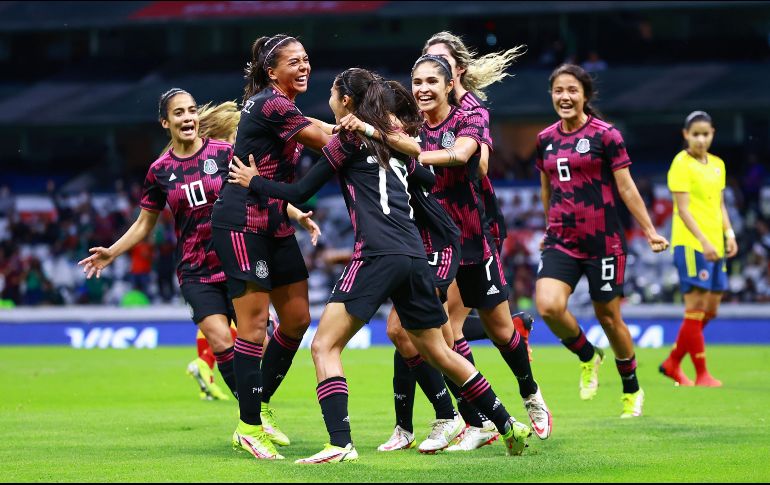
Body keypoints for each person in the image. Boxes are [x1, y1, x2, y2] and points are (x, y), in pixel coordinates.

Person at [229, 67, 533, 464]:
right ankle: (508, 423)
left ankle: (341, 444)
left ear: (346, 102)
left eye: (333, 96)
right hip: (412, 254)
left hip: (375, 253)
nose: (330, 103)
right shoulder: (396, 143)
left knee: (324, 346)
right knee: (439, 352)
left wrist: (254, 181)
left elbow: (301, 192)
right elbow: (425, 177)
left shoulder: (349, 142)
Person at [210, 34, 420, 461]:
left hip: (274, 219)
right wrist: (382, 133)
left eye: (307, 60)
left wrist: (362, 128)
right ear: (273, 72)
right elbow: (327, 140)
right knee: (252, 328)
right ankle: (249, 426)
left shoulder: (283, 106)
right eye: (294, 62)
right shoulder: (270, 103)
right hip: (242, 220)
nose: (305, 67)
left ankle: (259, 404)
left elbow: (326, 129)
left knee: (296, 319)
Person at [410, 54, 552, 442]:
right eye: (417, 80)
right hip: (432, 241)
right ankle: (475, 420)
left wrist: (408, 151)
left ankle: (529, 392)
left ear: (452, 76)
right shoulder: (411, 122)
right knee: (433, 331)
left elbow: (468, 159)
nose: (423, 88)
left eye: (431, 79)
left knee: (499, 328)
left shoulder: (470, 115)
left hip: (472, 234)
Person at [534, 64, 669, 418]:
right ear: (551, 94)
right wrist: (549, 229)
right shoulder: (545, 138)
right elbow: (547, 188)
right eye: (558, 90)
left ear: (585, 95)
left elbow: (626, 186)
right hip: (562, 239)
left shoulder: (606, 135)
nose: (565, 97)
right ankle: (587, 355)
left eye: (572, 90)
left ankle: (631, 388)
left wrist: (650, 230)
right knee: (547, 306)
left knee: (608, 318)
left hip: (603, 241)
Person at [177, 100, 320, 402]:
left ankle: (250, 406)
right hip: (208, 262)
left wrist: (296, 215)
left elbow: (262, 191)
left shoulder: (234, 160)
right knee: (228, 332)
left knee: (262, 340)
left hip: (239, 252)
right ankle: (249, 414)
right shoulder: (185, 168)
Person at [659, 110, 738, 387]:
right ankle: (702, 373)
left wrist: (728, 233)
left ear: (713, 133)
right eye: (696, 134)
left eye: (706, 134)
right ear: (686, 135)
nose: (701, 139)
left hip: (715, 243)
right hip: (691, 245)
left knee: (711, 309)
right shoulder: (681, 164)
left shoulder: (717, 164)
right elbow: (682, 210)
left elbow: (719, 204)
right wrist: (703, 241)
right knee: (694, 308)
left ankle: (672, 362)